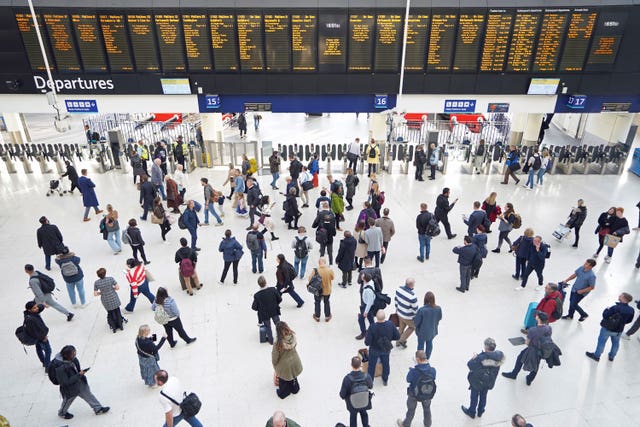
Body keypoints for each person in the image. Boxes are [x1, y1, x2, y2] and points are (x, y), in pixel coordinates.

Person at [54, 345, 110, 420]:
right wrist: (79, 375)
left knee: (88, 394)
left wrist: (80, 374)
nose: (74, 355)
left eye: (74, 353)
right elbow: (65, 382)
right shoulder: (60, 368)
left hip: (79, 382)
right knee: (68, 400)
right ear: (66, 355)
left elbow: (77, 368)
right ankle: (62, 413)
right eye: (72, 353)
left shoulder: (73, 359)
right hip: (71, 388)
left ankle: (98, 408)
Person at [501, 311, 551, 385]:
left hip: (532, 349)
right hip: (541, 350)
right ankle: (530, 379)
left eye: (537, 316)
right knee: (536, 364)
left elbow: (527, 343)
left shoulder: (533, 330)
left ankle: (514, 374)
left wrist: (527, 342)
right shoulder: (549, 328)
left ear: (539, 319)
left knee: (520, 358)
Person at [461, 338, 505, 419]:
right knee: (483, 395)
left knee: (474, 396)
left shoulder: (481, 357)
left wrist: (474, 357)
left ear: (486, 347)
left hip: (478, 381)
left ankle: (471, 412)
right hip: (489, 381)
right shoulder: (499, 356)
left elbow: (470, 365)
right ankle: (480, 411)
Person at [586, 293, 635, 362]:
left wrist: (606, 309)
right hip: (619, 331)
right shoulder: (631, 310)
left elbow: (605, 316)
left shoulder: (615, 307)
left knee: (602, 342)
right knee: (615, 343)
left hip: (607, 329)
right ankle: (611, 357)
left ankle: (596, 356)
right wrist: (621, 323)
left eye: (620, 296)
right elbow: (629, 320)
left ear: (624, 299)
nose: (619, 296)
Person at [396, 350, 436, 427]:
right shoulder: (432, 370)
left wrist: (411, 370)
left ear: (417, 359)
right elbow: (433, 377)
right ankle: (428, 424)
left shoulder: (414, 371)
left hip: (413, 394)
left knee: (411, 410)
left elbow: (408, 379)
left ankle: (406, 424)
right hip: (427, 393)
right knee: (427, 409)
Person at [365, 310, 400, 385]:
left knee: (371, 366)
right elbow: (398, 336)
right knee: (386, 364)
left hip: (374, 350)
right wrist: (389, 339)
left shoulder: (372, 327)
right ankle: (385, 379)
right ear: (385, 317)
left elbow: (367, 342)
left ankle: (370, 382)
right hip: (386, 349)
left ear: (376, 318)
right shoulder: (390, 324)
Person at [272, 321, 303, 399]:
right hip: (295, 361)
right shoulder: (292, 336)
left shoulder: (278, 343)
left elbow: (275, 357)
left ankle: (284, 392)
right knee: (293, 376)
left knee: (283, 379)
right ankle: (295, 388)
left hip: (285, 366)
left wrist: (275, 364)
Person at [339, 356, 373, 427]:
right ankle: (366, 425)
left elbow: (342, 395)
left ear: (351, 365)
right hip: (364, 402)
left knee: (353, 416)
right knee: (364, 413)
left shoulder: (347, 379)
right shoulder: (366, 376)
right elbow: (370, 386)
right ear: (360, 365)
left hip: (352, 404)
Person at [93, 267, 125, 333]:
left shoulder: (96, 283)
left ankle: (113, 327)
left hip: (105, 300)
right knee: (117, 311)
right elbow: (117, 287)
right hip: (113, 297)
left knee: (110, 313)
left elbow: (95, 294)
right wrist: (112, 288)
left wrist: (101, 292)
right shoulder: (110, 279)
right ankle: (120, 325)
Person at [252, 275, 282, 345]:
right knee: (278, 325)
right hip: (274, 311)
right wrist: (275, 304)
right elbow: (280, 299)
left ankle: (271, 341)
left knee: (268, 327)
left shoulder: (257, 295)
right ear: (266, 282)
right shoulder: (273, 290)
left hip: (264, 314)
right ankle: (281, 339)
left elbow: (254, 307)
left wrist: (260, 308)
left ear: (259, 284)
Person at [23, 301, 51, 370]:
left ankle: (44, 362)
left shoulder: (31, 313)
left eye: (36, 306)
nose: (37, 308)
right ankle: (48, 367)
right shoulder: (31, 319)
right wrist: (43, 337)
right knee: (48, 350)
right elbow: (36, 331)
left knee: (38, 348)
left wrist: (43, 305)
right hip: (40, 337)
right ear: (29, 310)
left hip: (36, 337)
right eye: (34, 308)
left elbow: (39, 308)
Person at [414, 291, 442, 358]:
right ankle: (427, 357)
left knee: (420, 345)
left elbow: (416, 322)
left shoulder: (422, 310)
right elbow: (439, 317)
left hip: (422, 332)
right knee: (429, 344)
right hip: (432, 330)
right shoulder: (438, 308)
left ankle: (420, 358)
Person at [394, 278, 419, 349]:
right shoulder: (412, 297)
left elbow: (396, 300)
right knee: (412, 327)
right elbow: (415, 310)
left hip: (399, 313)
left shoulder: (399, 289)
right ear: (411, 285)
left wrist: (397, 309)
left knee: (401, 327)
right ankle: (402, 340)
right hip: (408, 316)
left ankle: (397, 342)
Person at [311, 257, 334, 322]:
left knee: (317, 302)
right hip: (327, 290)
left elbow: (309, 279)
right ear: (325, 262)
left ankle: (317, 316)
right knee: (326, 302)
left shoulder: (315, 270)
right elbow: (332, 278)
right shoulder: (329, 270)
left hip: (317, 291)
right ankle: (327, 316)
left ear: (319, 263)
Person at [356, 273, 376, 340]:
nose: (361, 276)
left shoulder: (368, 290)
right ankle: (373, 330)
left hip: (367, 306)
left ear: (365, 279)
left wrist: (366, 311)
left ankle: (363, 333)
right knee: (371, 319)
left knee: (361, 319)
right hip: (366, 304)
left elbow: (370, 302)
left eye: (363, 276)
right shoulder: (370, 281)